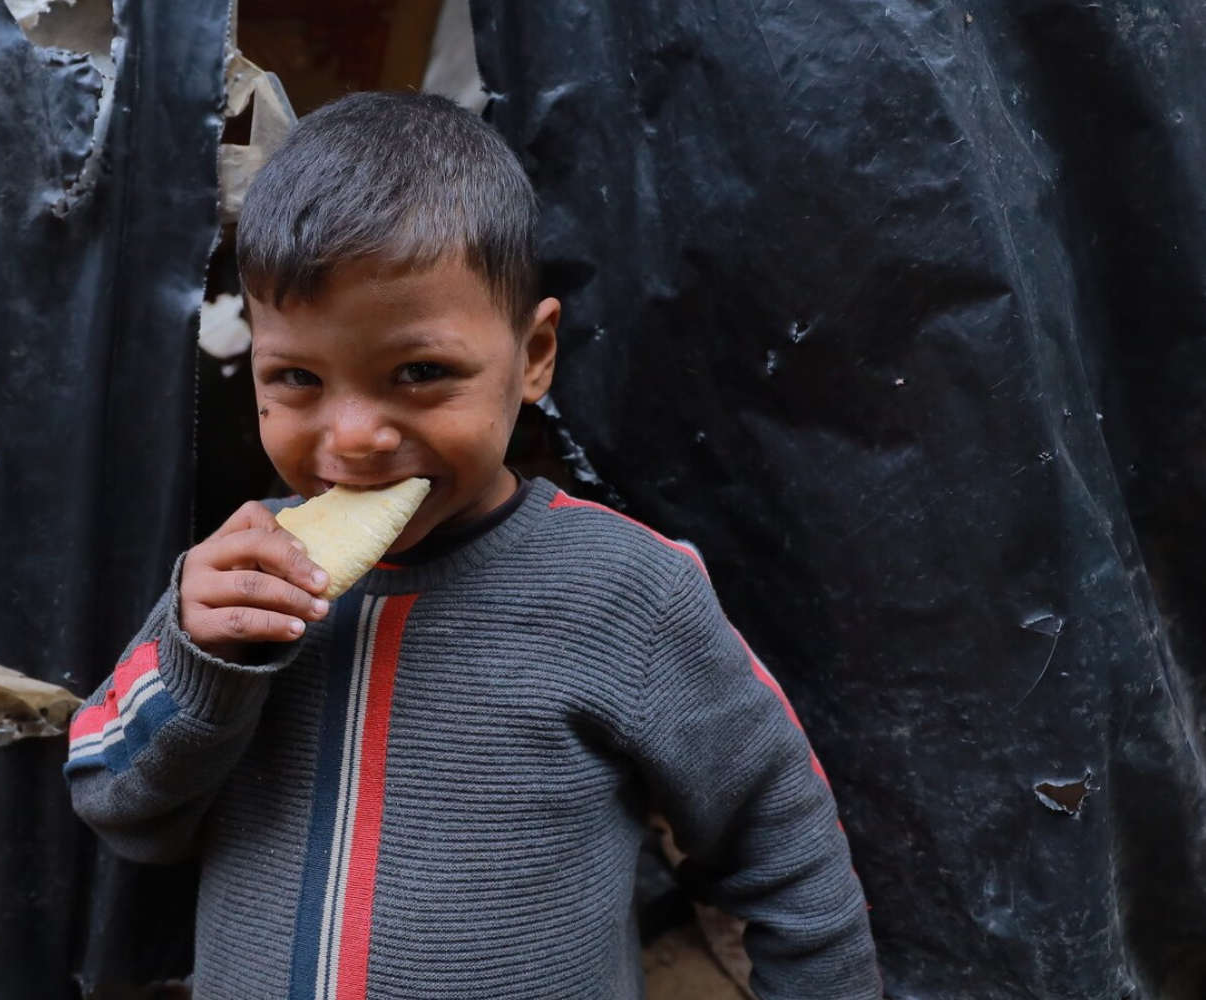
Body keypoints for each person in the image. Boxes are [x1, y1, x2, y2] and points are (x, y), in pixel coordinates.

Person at [63, 91, 878, 999]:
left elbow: (785, 847)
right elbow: (115, 802)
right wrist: (200, 660)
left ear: (533, 356)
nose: (357, 434)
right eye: (296, 377)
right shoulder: (236, 580)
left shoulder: (626, 590)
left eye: (420, 373)